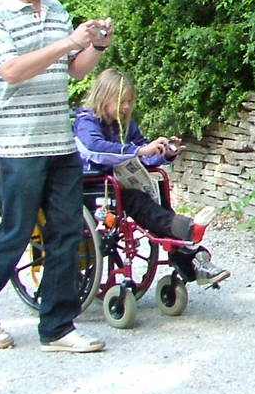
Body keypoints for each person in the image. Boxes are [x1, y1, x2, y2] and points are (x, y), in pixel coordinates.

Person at [0, 0, 113, 354]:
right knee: (16, 231)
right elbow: (8, 70)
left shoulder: (58, 9)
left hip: (58, 140)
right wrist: (68, 40)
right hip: (15, 143)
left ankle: (57, 328)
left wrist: (96, 46)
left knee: (68, 232)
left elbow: (72, 71)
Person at [73, 67, 229, 287]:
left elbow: (143, 153)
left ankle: (191, 256)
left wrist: (163, 152)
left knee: (157, 192)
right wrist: (138, 151)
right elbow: (95, 149)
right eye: (121, 101)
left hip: (122, 185)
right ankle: (188, 235)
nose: (126, 107)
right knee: (135, 200)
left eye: (129, 101)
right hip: (93, 189)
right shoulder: (86, 122)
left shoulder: (125, 124)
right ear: (103, 96)